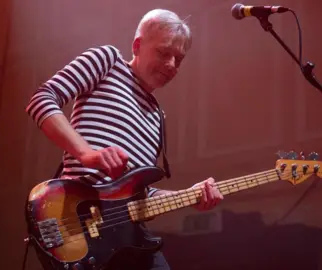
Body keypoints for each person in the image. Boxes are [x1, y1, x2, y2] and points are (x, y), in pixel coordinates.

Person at [25, 8, 224, 270]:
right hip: (76, 221)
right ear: (138, 45)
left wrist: (189, 196)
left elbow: (139, 195)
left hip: (125, 238)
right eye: (164, 53)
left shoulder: (157, 117)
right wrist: (87, 154)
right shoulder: (107, 61)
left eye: (179, 59)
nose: (172, 65)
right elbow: (42, 100)